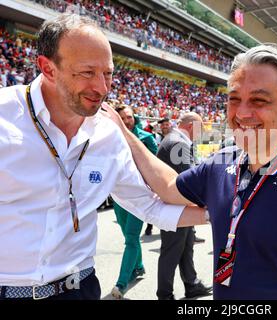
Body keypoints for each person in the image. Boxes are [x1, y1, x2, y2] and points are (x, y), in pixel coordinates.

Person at [105, 44, 277, 300]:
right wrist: (125, 134)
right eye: (234, 99)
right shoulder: (220, 164)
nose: (242, 113)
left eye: (258, 100)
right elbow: (169, 187)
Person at [0, 13, 204, 300]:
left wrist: (223, 215)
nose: (102, 88)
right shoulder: (4, 116)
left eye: (107, 73)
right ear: (48, 68)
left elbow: (149, 206)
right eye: (87, 73)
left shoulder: (108, 134)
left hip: (80, 288)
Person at [156, 112, 212, 300]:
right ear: (191, 125)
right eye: (201, 126)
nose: (202, 131)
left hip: (178, 207)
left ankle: (191, 283)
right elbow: (188, 180)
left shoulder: (176, 140)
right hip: (174, 208)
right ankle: (164, 294)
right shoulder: (178, 143)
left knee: (185, 247)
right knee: (171, 251)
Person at [110, 104, 158, 299]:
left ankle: (121, 283)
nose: (126, 120)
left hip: (139, 197)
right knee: (127, 236)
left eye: (129, 117)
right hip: (118, 196)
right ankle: (138, 267)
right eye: (122, 118)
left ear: (134, 118)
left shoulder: (146, 138)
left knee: (131, 238)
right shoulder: (112, 137)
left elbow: (155, 167)